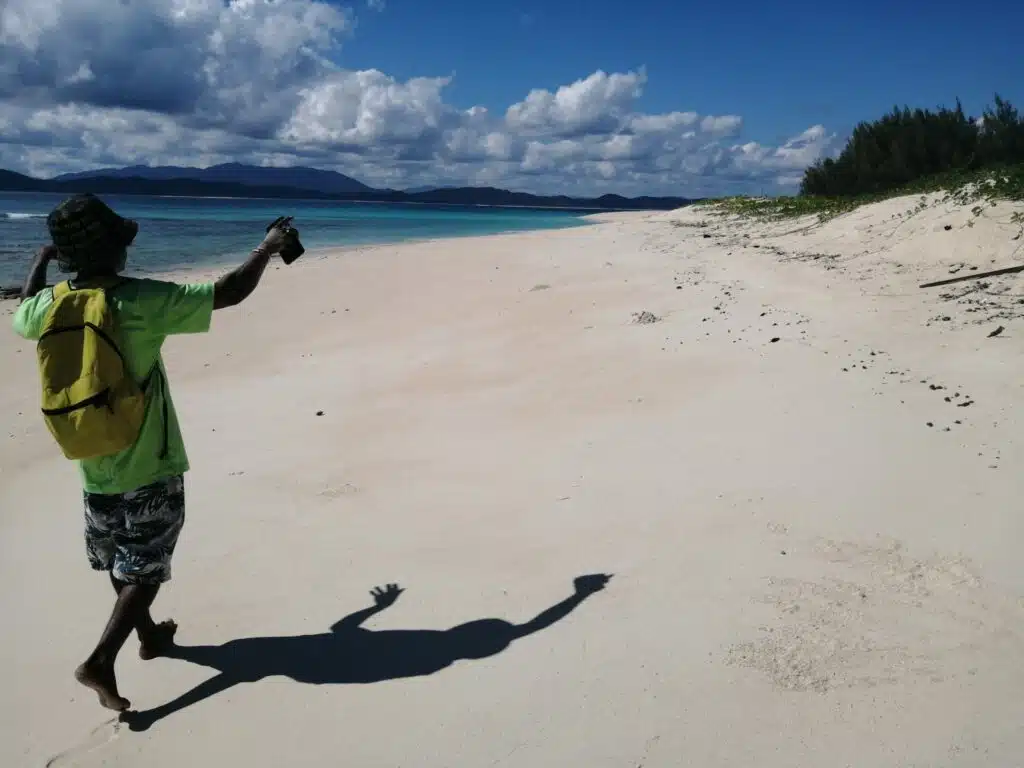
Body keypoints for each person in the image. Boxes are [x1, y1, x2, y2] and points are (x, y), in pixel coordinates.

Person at [12, 193, 297, 712]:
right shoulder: (138, 300)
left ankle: (149, 637)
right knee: (146, 566)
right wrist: (267, 248)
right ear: (114, 252)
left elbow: (22, 311)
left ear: (69, 257)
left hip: (91, 462)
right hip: (150, 464)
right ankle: (101, 659)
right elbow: (227, 293)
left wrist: (39, 260)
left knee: (120, 558)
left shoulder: (47, 307)